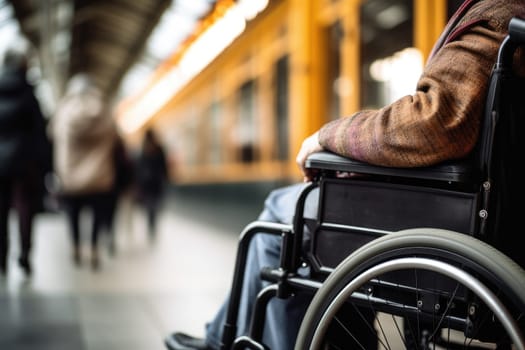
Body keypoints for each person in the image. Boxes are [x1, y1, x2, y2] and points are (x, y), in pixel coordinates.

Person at [165, 0, 525, 349]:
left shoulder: (495, 18)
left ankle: (221, 339)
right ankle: (220, 335)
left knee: (282, 214)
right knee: (316, 233)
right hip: (487, 210)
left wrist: (327, 137)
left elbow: (434, 124)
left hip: (458, 217)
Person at [50, 73, 119, 271]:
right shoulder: (103, 109)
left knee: (73, 213)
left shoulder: (64, 110)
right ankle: (94, 247)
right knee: (98, 212)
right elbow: (115, 137)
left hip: (70, 174)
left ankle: (75, 246)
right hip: (99, 174)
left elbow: (52, 135)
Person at [0, 38, 51, 277]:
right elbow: (40, 133)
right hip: (24, 163)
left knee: (0, 210)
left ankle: (1, 257)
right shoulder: (29, 94)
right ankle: (24, 255)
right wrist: (45, 166)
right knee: (25, 208)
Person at [135, 128, 168, 241]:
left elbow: (140, 167)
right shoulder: (156, 149)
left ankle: (151, 225)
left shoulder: (146, 150)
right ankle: (151, 225)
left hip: (151, 184)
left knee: (152, 206)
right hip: (152, 184)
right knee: (152, 206)